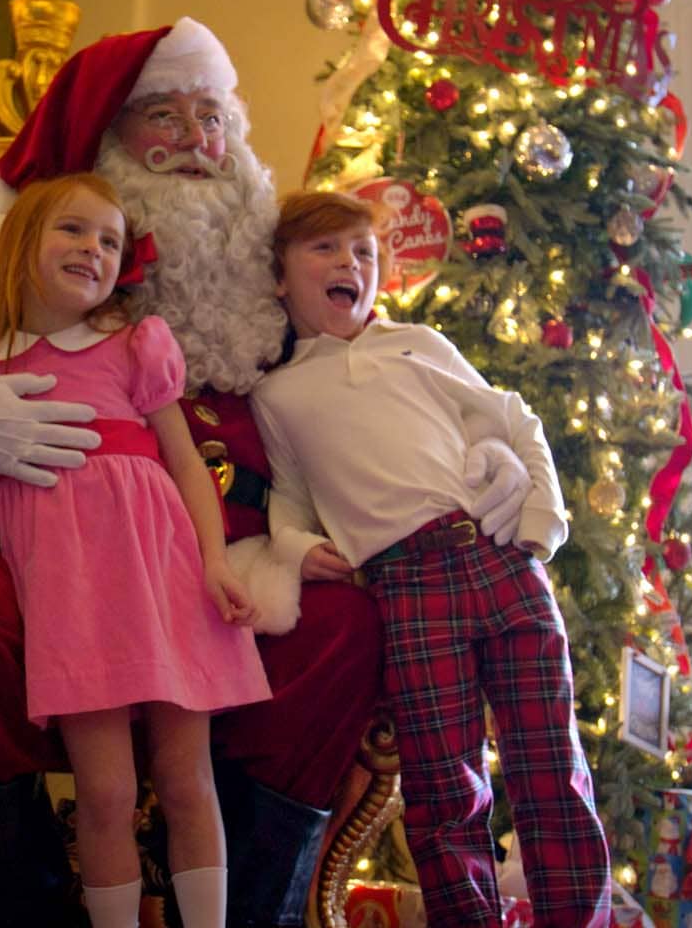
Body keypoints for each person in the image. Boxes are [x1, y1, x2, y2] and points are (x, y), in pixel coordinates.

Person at [0, 18, 535, 928]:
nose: (197, 141)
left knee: (346, 625)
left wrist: (475, 450)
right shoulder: (12, 261)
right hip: (41, 538)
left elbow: (381, 382)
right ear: (103, 148)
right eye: (160, 115)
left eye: (211, 115)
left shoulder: (278, 267)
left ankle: (251, 906)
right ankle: (7, 902)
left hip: (232, 547)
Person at [0, 171, 270, 928]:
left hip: (164, 575)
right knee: (104, 791)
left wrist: (213, 561)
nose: (94, 250)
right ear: (21, 245)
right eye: (73, 230)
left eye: (110, 240)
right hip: (73, 595)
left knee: (184, 779)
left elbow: (186, 464)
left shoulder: (135, 344)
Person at [249, 192, 612, 927]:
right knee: (445, 790)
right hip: (405, 588)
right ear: (280, 278)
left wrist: (542, 522)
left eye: (364, 252)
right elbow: (288, 495)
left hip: (495, 556)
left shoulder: (419, 344)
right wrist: (295, 547)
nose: (350, 262)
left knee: (551, 769)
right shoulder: (278, 395)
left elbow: (513, 419)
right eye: (326, 250)